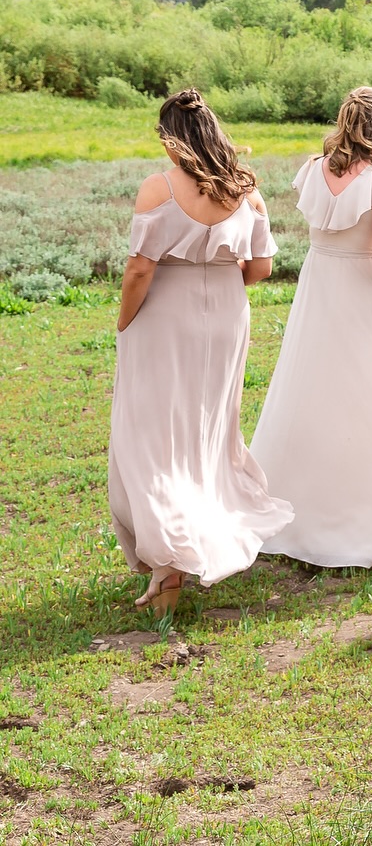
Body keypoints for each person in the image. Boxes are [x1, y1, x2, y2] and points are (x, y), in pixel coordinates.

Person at [108, 89, 293, 615]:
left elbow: (140, 268)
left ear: (172, 139)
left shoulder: (158, 189)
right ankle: (187, 550)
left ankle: (168, 570)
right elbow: (260, 269)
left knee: (153, 438)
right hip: (227, 318)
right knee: (206, 434)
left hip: (165, 316)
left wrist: (125, 322)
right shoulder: (246, 193)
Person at [250, 87, 372, 569]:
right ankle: (356, 524)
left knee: (309, 393)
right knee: (365, 398)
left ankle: (296, 513)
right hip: (360, 293)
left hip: (318, 287)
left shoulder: (314, 168)